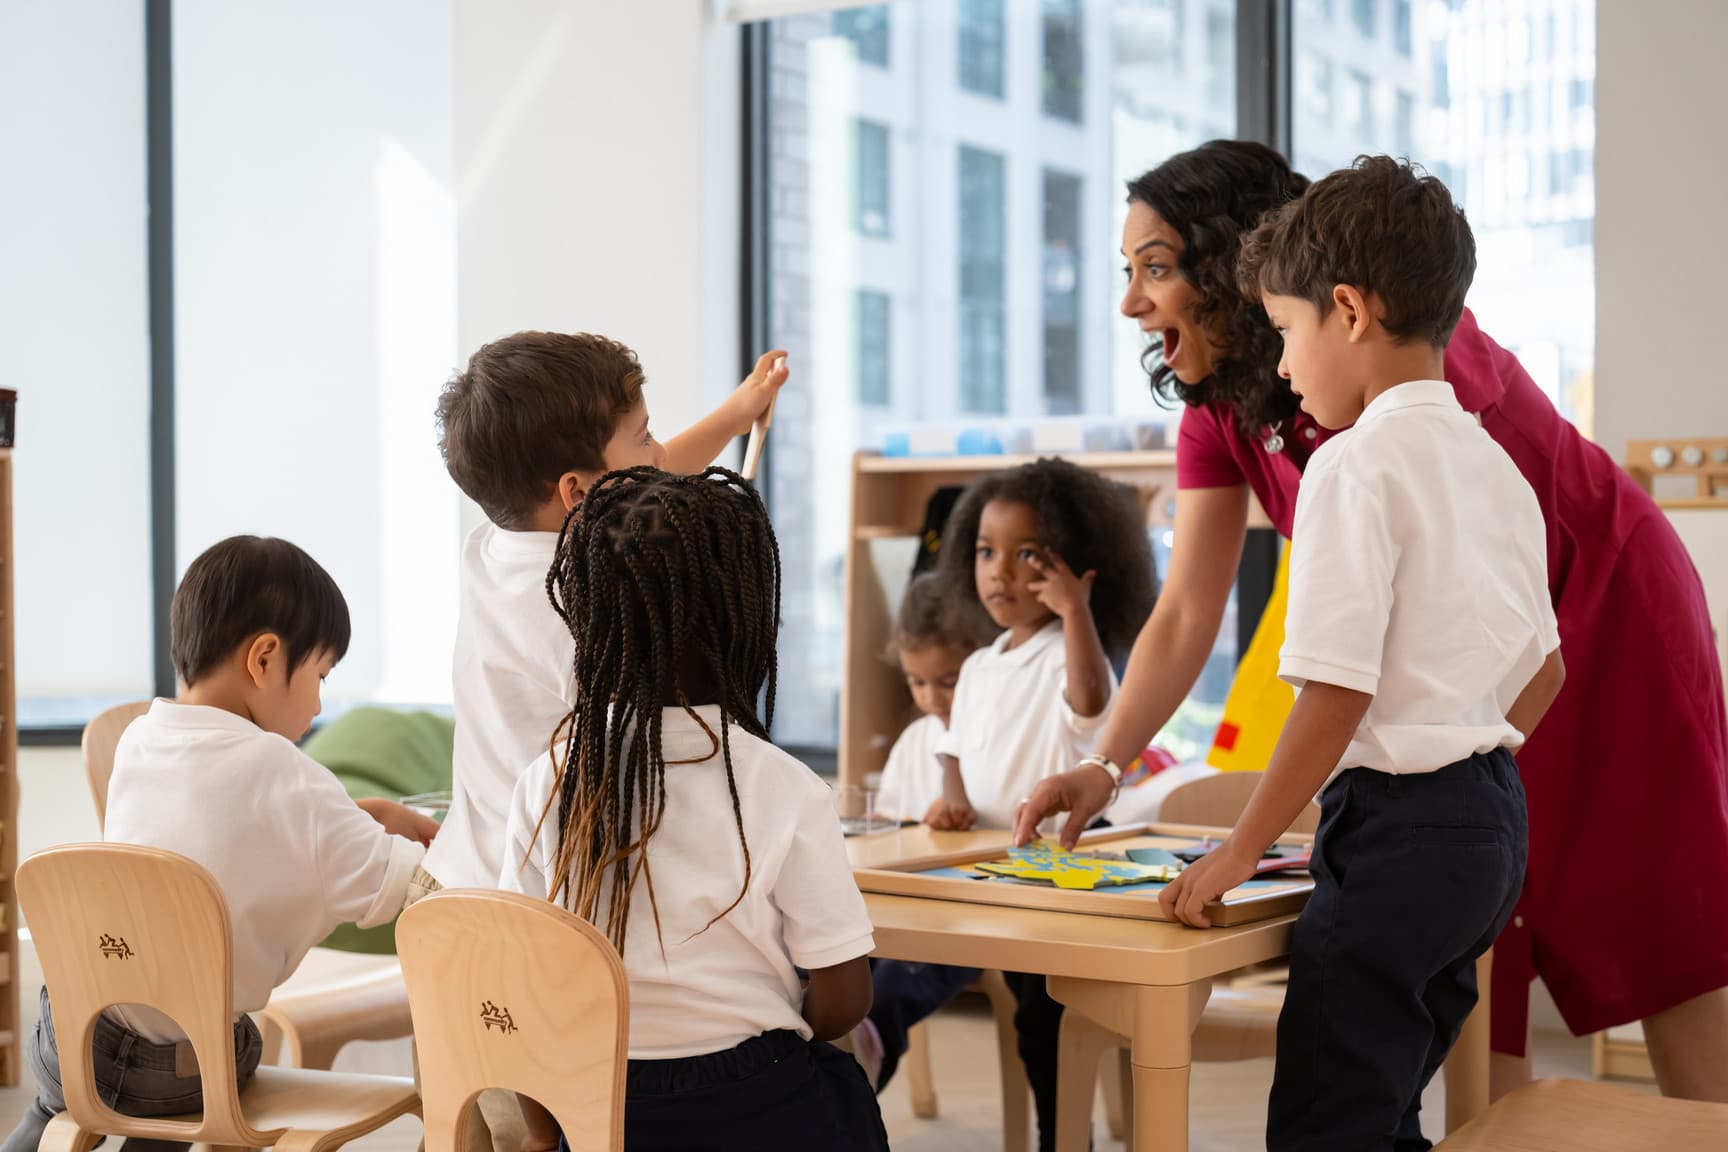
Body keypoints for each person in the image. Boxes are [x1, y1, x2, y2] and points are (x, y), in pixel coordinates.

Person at [1014, 139, 1728, 1103]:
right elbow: (1188, 611)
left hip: (1602, 603)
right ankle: (1484, 1122)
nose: (1133, 303)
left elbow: (1450, 577)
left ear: (1233, 263)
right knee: (1478, 925)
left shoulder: (1407, 375)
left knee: (1657, 912)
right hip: (1505, 659)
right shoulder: (1224, 409)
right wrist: (1105, 763)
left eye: (1155, 266)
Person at [1160, 156, 1562, 1150]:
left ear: (1347, 311)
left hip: (1403, 829)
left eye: (1288, 332)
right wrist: (1455, 754)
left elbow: (1336, 692)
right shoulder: (1495, 464)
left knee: (1326, 1119)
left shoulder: (1349, 465)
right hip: (1490, 825)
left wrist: (1243, 850)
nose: (1284, 367)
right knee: (1382, 1104)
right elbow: (1544, 673)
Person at [422, 332, 785, 1149]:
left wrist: (733, 416)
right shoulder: (583, 611)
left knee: (471, 1116)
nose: (661, 451)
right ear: (578, 489)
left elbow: (640, 495)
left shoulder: (496, 546)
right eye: (646, 436)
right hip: (536, 923)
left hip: (455, 898)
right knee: (549, 1126)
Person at [2, 536, 437, 1152]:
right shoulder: (289, 776)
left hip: (73, 1040)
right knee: (223, 1036)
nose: (319, 703)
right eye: (319, 675)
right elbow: (414, 889)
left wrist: (362, 813)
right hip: (181, 1073)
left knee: (102, 1060)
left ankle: (37, 1128)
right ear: (264, 658)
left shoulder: (139, 740)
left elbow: (233, 832)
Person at [500, 467, 887, 1152]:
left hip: (601, 1098)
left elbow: (525, 984)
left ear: (586, 616)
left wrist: (543, 1131)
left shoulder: (549, 780)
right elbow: (844, 997)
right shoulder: (783, 785)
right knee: (840, 1086)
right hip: (753, 1094)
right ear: (745, 616)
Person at [923, 457, 1156, 1152]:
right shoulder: (978, 665)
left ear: (1076, 567)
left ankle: (1064, 1135)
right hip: (991, 871)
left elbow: (1090, 703)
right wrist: (950, 801)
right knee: (1030, 1016)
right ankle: (1060, 1130)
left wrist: (1076, 613)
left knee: (1046, 1015)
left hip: (1059, 875)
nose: (1000, 573)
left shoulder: (1068, 650)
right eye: (987, 553)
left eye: (1027, 555)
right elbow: (954, 754)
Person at [846, 572, 994, 1089]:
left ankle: (867, 1052)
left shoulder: (999, 738)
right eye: (917, 681)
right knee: (828, 965)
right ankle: (836, 1054)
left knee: (901, 975)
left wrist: (960, 822)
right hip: (901, 905)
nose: (933, 697)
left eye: (948, 680)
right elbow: (884, 827)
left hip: (968, 915)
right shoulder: (914, 741)